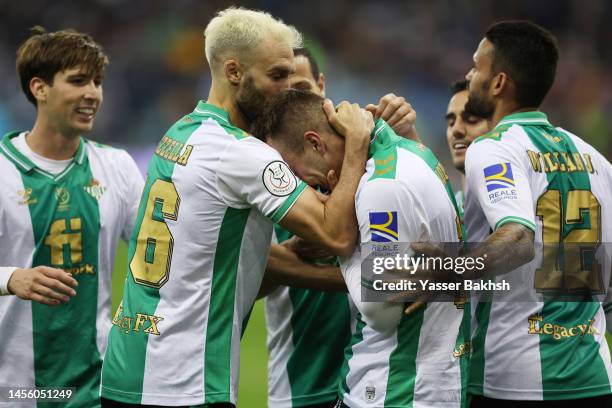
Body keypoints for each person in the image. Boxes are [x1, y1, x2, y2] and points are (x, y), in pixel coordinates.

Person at [100, 8, 374, 408]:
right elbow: (338, 235)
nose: (288, 92)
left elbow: (209, 257)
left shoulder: (179, 132)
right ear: (233, 72)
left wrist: (292, 252)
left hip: (128, 368)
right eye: (277, 76)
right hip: (185, 383)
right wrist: (356, 146)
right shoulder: (243, 155)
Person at [254, 89, 470, 407]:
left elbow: (380, 311)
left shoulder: (380, 187)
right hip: (434, 379)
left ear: (315, 143)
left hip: (393, 390)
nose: (300, 184)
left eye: (292, 170)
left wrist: (344, 248)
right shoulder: (414, 151)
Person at [460, 21, 612, 406]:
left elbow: (517, 238)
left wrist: (438, 275)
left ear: (498, 83)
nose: (468, 75)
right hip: (594, 377)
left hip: (512, 379)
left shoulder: (492, 147)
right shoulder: (595, 159)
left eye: (476, 66)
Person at [264, 47, 419, 408]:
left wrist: (409, 135)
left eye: (302, 88)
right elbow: (246, 280)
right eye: (283, 95)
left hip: (373, 379)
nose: (293, 103)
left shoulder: (369, 159)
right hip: (299, 382)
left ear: (322, 86)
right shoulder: (268, 176)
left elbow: (425, 236)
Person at [0, 28, 143, 408]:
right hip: (16, 390)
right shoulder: (1, 170)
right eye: (78, 81)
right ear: (39, 88)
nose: (93, 94)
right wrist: (11, 277)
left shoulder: (118, 167)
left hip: (98, 386)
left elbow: (159, 253)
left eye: (97, 82)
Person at [445, 79, 490, 209]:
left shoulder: (525, 207)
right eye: (451, 122)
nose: (456, 130)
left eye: (471, 120)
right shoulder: (447, 212)